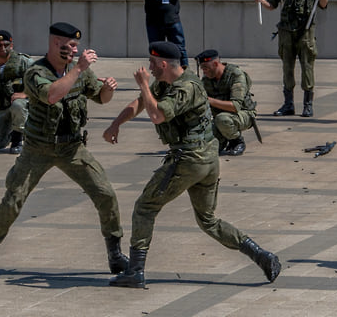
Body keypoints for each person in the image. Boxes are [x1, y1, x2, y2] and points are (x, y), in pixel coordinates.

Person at [102, 41, 281, 288]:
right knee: (208, 220)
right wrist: (116, 123)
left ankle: (135, 271)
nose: (149, 68)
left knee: (145, 207)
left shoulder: (185, 88)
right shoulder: (166, 82)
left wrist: (143, 84)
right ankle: (261, 255)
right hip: (206, 158)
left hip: (190, 159)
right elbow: (141, 103)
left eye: (153, 64)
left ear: (163, 64)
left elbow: (157, 115)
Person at [0, 22, 128, 279]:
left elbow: (100, 97)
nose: (75, 50)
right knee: (13, 200)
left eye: (76, 46)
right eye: (70, 46)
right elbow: (52, 95)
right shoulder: (36, 72)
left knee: (105, 194)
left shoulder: (78, 71)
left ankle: (115, 254)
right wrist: (78, 68)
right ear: (56, 44)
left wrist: (108, 89)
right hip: (37, 148)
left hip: (72, 147)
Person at [254, 0, 328, 117]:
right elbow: (272, 4)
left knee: (307, 67)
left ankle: (308, 105)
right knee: (287, 67)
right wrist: (261, 1)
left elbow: (323, 4)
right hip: (286, 31)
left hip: (305, 31)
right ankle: (288, 104)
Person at [194, 49, 257, 157]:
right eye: (202, 68)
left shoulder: (236, 75)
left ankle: (237, 141)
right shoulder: (207, 79)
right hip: (220, 118)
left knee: (222, 119)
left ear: (215, 64)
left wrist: (209, 100)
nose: (204, 71)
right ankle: (222, 140)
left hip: (243, 114)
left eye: (206, 68)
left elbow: (235, 106)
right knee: (203, 145)